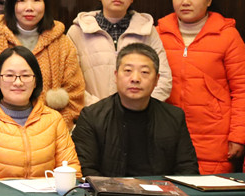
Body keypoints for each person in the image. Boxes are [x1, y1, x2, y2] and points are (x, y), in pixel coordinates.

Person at [157, 0, 245, 174]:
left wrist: (238, 136)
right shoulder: (157, 34)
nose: (185, 2)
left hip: (214, 141)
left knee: (208, 193)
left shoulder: (228, 36)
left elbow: (244, 90)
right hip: (165, 137)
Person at [73, 44, 199, 177]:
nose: (135, 79)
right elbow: (85, 169)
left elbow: (188, 169)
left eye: (144, 72)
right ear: (116, 76)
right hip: (108, 189)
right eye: (128, 70)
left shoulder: (174, 117)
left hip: (161, 189)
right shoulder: (92, 117)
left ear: (157, 80)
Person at [0, 0, 85, 127]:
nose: (29, 7)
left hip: (50, 130)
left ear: (45, 4)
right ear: (12, 4)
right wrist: (2, 128)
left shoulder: (63, 44)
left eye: (36, 0)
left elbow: (75, 95)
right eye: (22, 1)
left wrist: (53, 129)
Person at [0, 47, 81, 180]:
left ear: (36, 81)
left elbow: (72, 173)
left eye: (25, 76)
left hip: (47, 193)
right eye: (9, 75)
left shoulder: (53, 120)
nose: (18, 82)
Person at [68, 0, 172, 106]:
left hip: (139, 114)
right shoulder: (78, 31)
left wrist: (138, 108)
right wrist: (99, 111)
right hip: (92, 114)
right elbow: (70, 82)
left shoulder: (147, 31)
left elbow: (163, 79)